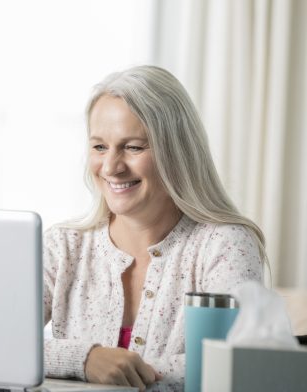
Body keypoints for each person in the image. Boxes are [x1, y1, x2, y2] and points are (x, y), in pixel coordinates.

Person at [42, 65, 265, 391]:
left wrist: (117, 369)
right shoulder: (63, 246)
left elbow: (230, 365)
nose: (111, 167)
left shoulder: (225, 245)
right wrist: (85, 359)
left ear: (177, 151)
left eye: (133, 147)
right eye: (100, 147)